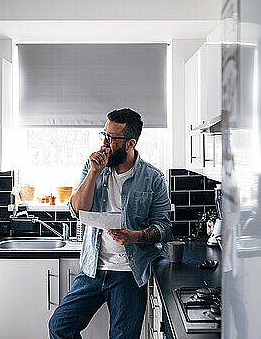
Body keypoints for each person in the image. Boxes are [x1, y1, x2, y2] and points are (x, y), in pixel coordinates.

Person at [48, 108, 172, 339]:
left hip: (129, 273)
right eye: (104, 135)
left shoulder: (153, 178)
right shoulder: (93, 167)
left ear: (129, 143)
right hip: (92, 269)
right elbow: (76, 209)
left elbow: (163, 228)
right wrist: (94, 173)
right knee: (59, 327)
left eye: (112, 138)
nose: (105, 143)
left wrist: (134, 236)